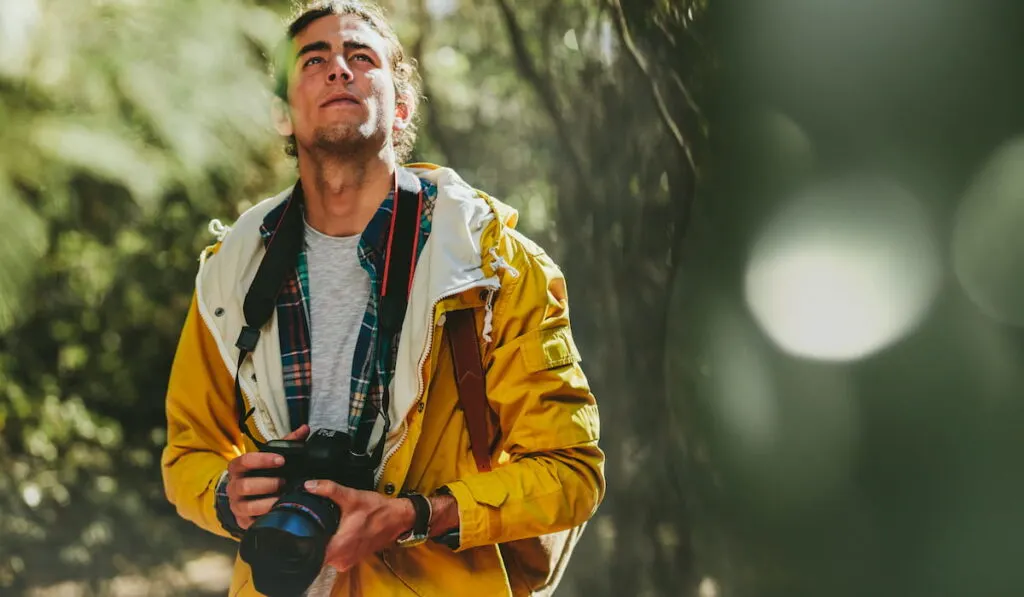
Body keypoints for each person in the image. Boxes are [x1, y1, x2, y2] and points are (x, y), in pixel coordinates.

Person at [160, 1, 605, 595]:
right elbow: (189, 450)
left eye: (360, 57)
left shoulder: (490, 266)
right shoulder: (231, 274)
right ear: (283, 115)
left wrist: (420, 515)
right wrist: (225, 494)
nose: (338, 69)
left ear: (400, 108)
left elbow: (571, 471)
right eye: (312, 60)